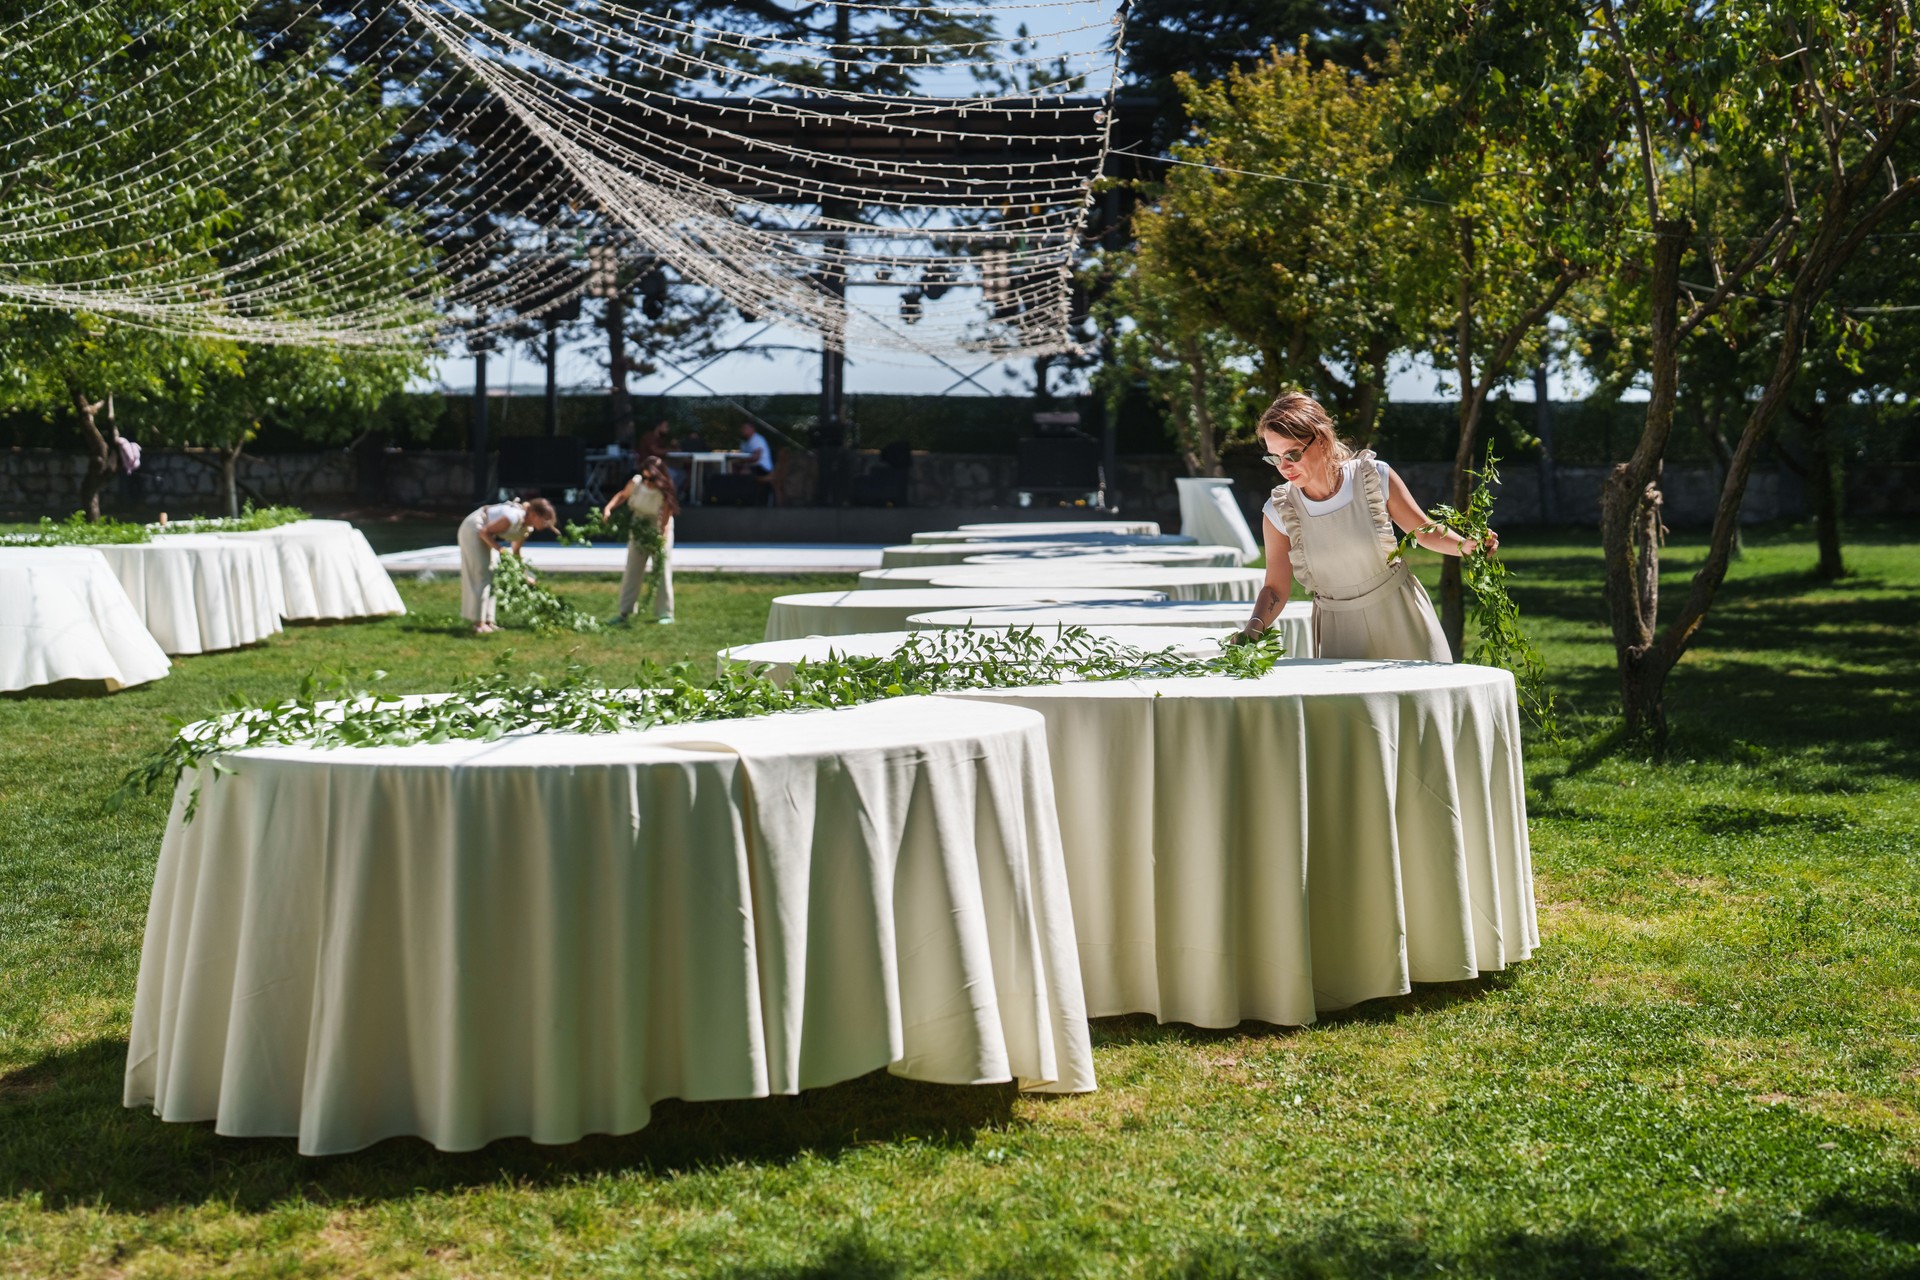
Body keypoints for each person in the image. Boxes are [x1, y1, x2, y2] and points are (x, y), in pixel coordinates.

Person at [1236, 392, 1497, 661]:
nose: (1285, 467)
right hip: (1339, 633)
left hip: (1402, 616)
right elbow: (1276, 588)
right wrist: (1253, 628)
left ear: (1322, 440)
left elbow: (1423, 531)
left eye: (1292, 453)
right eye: (1275, 458)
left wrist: (1465, 546)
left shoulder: (1374, 477)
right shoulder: (1279, 510)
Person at [458, 496, 557, 635]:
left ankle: (488, 622)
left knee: (492, 575)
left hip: (485, 533)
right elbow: (484, 532)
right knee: (481, 573)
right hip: (474, 528)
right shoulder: (513, 517)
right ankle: (478, 624)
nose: (547, 523)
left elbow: (516, 551)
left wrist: (524, 575)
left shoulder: (527, 528)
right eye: (545, 519)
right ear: (534, 515)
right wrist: (500, 550)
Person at [600, 456, 677, 625]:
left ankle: (665, 613)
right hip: (638, 526)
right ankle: (625, 612)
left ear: (660, 477)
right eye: (645, 477)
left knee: (661, 569)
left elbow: (664, 522)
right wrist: (608, 508)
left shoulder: (665, 492)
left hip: (657, 526)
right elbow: (623, 495)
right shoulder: (636, 483)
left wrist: (660, 539)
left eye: (651, 479)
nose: (647, 482)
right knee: (633, 570)